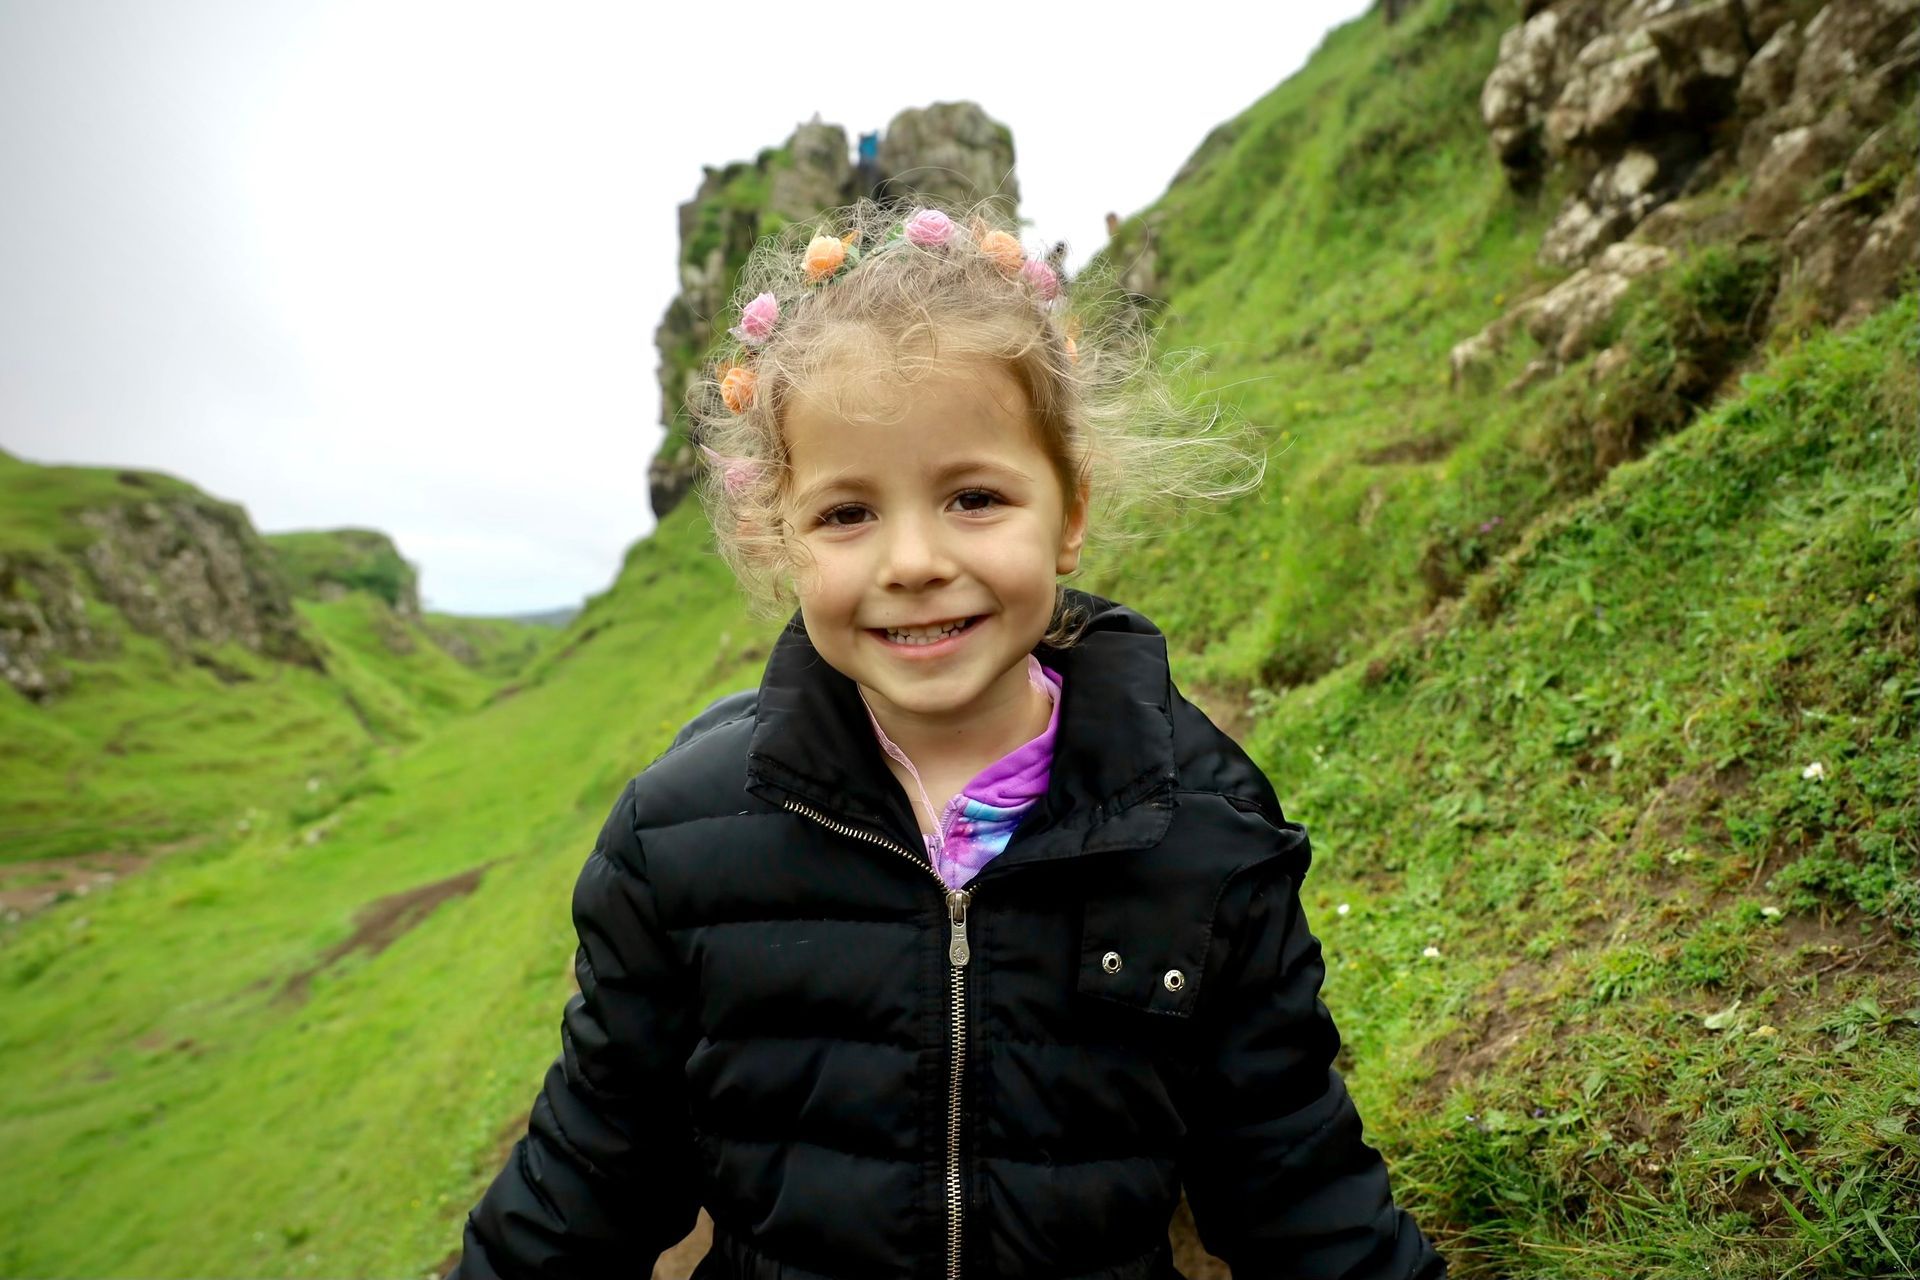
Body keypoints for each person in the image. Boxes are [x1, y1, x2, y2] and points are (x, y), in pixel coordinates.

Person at [447, 196, 1447, 1280]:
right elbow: (586, 1178)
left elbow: (1301, 1188)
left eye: (973, 496)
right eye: (846, 512)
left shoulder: (1204, 828)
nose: (914, 559)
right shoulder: (678, 837)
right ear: (778, 534)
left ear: (1068, 511)